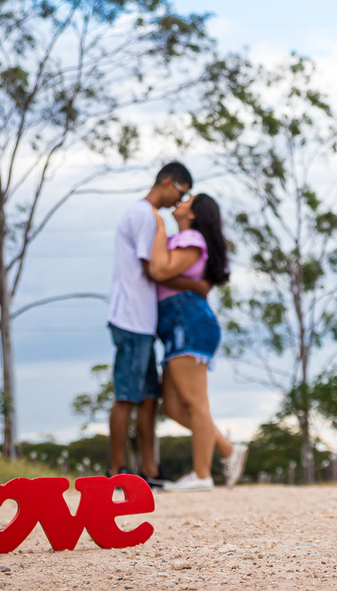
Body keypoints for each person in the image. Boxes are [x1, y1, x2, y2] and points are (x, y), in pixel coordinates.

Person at [146, 192, 247, 491]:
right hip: (176, 324)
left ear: (194, 214)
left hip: (187, 322)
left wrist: (159, 226)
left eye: (188, 200)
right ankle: (228, 449)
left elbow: (160, 270)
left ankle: (202, 475)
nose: (181, 201)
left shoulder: (191, 239)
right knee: (174, 408)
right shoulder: (183, 239)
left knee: (195, 404)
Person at [106, 161, 198, 484]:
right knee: (127, 396)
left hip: (143, 322)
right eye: (181, 192)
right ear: (168, 181)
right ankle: (116, 472)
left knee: (148, 398)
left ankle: (150, 472)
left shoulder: (149, 216)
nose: (179, 201)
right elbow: (155, 270)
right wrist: (195, 283)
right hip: (130, 318)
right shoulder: (145, 215)